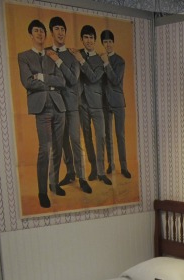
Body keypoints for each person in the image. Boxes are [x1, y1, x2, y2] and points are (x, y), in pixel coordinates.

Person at [17, 19, 66, 209]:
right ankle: (42, 191)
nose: (40, 34)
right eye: (36, 31)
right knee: (45, 149)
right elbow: (27, 82)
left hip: (58, 106)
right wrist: (50, 84)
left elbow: (61, 81)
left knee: (58, 148)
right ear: (31, 34)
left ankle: (54, 184)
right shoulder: (24, 56)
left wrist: (43, 77)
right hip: (41, 108)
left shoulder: (51, 55)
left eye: (42, 31)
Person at [47, 16, 92, 194]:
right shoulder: (47, 54)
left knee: (75, 140)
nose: (60, 32)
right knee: (62, 142)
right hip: (55, 105)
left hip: (72, 104)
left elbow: (73, 80)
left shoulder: (73, 55)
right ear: (51, 32)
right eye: (56, 28)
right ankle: (70, 173)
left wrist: (58, 61)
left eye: (62, 29)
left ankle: (82, 178)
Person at [71, 25, 111, 185]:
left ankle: (101, 171)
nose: (89, 41)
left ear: (95, 41)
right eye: (86, 37)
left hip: (96, 103)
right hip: (81, 103)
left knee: (100, 136)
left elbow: (94, 78)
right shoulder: (77, 55)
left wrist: (81, 60)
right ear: (82, 39)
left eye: (91, 38)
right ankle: (94, 169)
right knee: (86, 137)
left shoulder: (101, 59)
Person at [101, 29, 131, 178]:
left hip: (118, 101)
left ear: (113, 43)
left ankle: (124, 167)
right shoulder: (99, 60)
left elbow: (115, 80)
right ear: (102, 43)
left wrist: (106, 63)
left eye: (110, 42)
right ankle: (110, 165)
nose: (107, 45)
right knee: (108, 135)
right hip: (105, 102)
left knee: (120, 135)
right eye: (105, 42)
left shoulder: (120, 61)